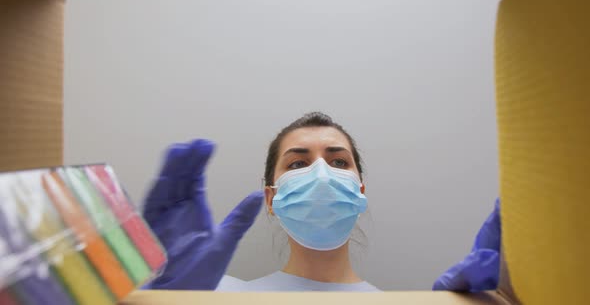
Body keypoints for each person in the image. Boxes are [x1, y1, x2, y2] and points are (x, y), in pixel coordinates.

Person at [142, 112, 501, 292]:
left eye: (339, 162)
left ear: (359, 191)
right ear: (272, 197)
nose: (322, 174)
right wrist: (161, 298)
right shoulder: (218, 295)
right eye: (298, 163)